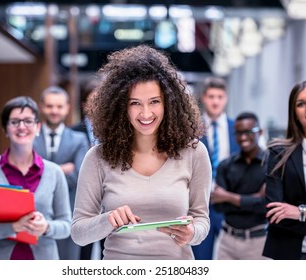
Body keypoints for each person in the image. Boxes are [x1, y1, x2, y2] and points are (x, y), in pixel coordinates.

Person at [70, 45, 212, 260]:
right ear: (120, 107)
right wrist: (108, 220)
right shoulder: (98, 157)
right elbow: (79, 233)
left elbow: (202, 220)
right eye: (135, 103)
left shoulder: (194, 152)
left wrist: (192, 233)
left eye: (154, 102)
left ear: (169, 103)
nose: (146, 113)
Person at [0, 96, 71, 260]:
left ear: (38, 127)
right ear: (5, 129)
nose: (22, 127)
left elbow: (67, 226)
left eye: (28, 121)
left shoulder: (54, 172)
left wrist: (46, 227)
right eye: (14, 122)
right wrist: (13, 227)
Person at [263, 80, 306, 260]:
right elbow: (274, 212)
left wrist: (301, 212)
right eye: (300, 104)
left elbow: (289, 212)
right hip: (291, 256)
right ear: (294, 113)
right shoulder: (278, 153)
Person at [34, 85, 89, 260]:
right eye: (50, 106)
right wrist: (61, 169)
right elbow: (26, 175)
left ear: (67, 108)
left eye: (59, 106)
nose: (54, 111)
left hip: (68, 216)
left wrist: (42, 170)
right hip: (35, 218)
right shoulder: (30, 138)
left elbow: (80, 177)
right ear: (41, 107)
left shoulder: (79, 140)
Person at [192, 76, 240, 260]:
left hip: (230, 204)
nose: (215, 101)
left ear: (225, 98)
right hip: (201, 204)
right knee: (201, 259)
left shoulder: (237, 128)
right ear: (204, 98)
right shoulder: (193, 129)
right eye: (211, 96)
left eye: (220, 97)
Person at [211, 112, 268, 259]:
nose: (243, 137)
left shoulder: (271, 164)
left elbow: (265, 205)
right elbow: (218, 205)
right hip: (227, 242)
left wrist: (227, 196)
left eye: (248, 132)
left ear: (260, 132)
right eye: (238, 133)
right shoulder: (226, 165)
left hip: (259, 241)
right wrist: (253, 199)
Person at [72, 77, 104, 260]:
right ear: (84, 105)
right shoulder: (74, 132)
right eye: (93, 102)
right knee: (83, 252)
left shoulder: (113, 133)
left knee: (106, 249)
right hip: (83, 199)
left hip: (107, 201)